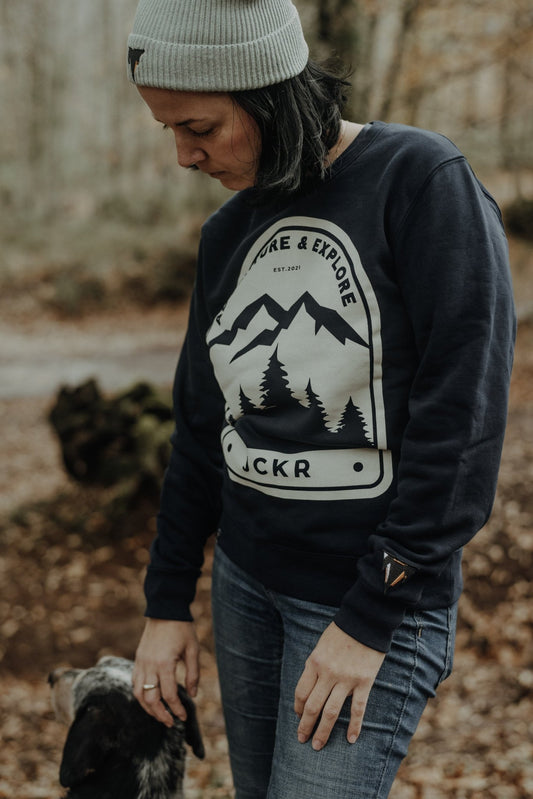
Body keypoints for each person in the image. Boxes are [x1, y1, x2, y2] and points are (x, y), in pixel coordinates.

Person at [127, 2, 516, 797]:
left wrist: (370, 615)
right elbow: (202, 428)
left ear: (266, 93)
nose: (182, 155)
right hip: (246, 584)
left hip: (366, 597)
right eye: (168, 130)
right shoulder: (227, 234)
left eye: (197, 126)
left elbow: (463, 421)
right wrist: (167, 603)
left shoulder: (419, 181)